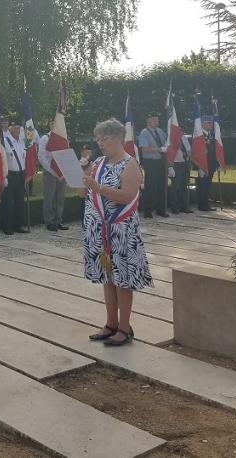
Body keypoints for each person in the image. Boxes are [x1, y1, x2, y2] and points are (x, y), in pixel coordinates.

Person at [81, 119, 153, 346]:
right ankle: (110, 323)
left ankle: (124, 327)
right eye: (98, 139)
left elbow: (127, 196)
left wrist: (99, 188)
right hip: (100, 231)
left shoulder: (130, 164)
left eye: (105, 139)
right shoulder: (98, 163)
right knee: (107, 278)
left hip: (121, 231)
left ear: (118, 138)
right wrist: (82, 174)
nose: (100, 144)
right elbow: (82, 194)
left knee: (123, 280)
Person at [39, 121, 69, 232]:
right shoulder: (45, 138)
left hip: (62, 171)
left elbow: (66, 153)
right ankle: (49, 222)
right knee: (49, 197)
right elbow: (41, 156)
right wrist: (51, 170)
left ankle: (58, 221)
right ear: (50, 125)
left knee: (60, 198)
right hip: (50, 171)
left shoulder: (63, 138)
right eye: (53, 124)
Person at [137, 112, 168, 218]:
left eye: (157, 120)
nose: (156, 122)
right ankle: (148, 210)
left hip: (161, 161)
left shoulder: (160, 131)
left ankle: (161, 209)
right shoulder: (144, 133)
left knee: (162, 186)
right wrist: (159, 149)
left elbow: (167, 143)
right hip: (150, 162)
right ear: (148, 121)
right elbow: (144, 148)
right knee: (151, 186)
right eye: (154, 120)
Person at [1, 122, 28, 235]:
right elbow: (2, 160)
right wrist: (4, 176)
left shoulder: (22, 142)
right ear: (10, 130)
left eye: (18, 129)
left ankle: (19, 225)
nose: (17, 131)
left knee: (19, 201)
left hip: (20, 175)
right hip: (10, 175)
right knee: (7, 202)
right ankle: (7, 226)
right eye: (15, 129)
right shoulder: (6, 142)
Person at [195, 116, 219, 212]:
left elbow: (215, 152)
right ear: (202, 124)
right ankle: (201, 205)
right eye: (208, 123)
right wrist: (198, 166)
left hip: (211, 165)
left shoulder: (212, 135)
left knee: (207, 185)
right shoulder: (199, 136)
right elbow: (196, 152)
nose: (210, 125)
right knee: (202, 185)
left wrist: (217, 164)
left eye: (211, 123)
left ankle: (205, 204)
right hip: (203, 165)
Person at [168, 130, 192, 214]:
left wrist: (188, 154)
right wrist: (170, 166)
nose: (181, 132)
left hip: (185, 163)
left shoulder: (184, 138)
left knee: (184, 186)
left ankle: (184, 206)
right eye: (179, 130)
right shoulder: (171, 139)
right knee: (175, 186)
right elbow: (169, 153)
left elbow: (189, 149)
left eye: (182, 131)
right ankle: (174, 207)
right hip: (176, 164)